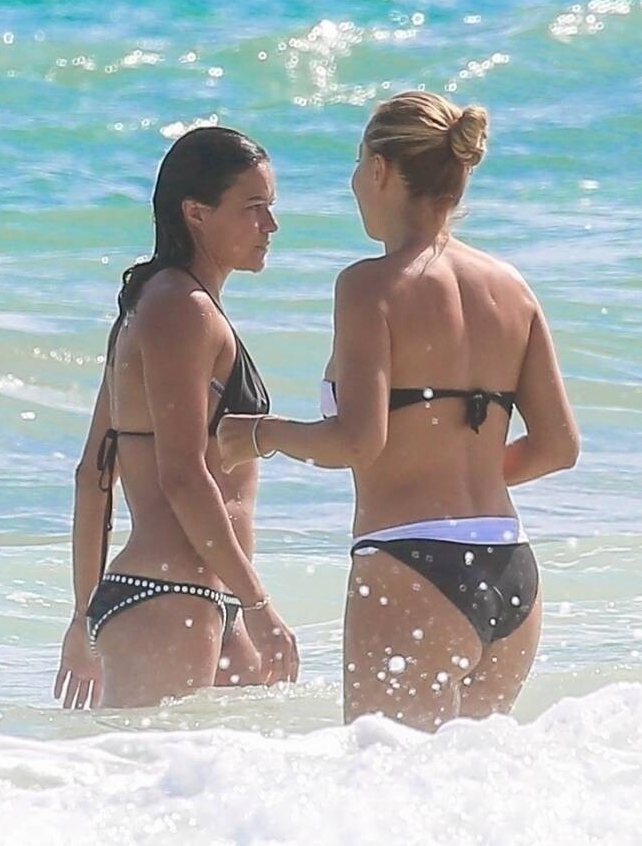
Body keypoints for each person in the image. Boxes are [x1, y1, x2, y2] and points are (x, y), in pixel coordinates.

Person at [219, 92, 579, 730]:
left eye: (359, 162)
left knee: (380, 779)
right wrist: (457, 471)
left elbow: (357, 441)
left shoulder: (370, 286)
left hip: (412, 563)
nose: (354, 181)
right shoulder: (512, 287)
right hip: (510, 568)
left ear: (382, 169)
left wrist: (257, 434)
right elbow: (558, 447)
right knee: (463, 785)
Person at [54, 126, 300, 710]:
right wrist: (260, 605)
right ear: (196, 212)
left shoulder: (164, 304)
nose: (270, 225)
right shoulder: (178, 308)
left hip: (201, 595)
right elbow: (183, 474)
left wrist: (86, 614)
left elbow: (93, 474)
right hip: (167, 593)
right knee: (146, 766)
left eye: (271, 207)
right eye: (253, 208)